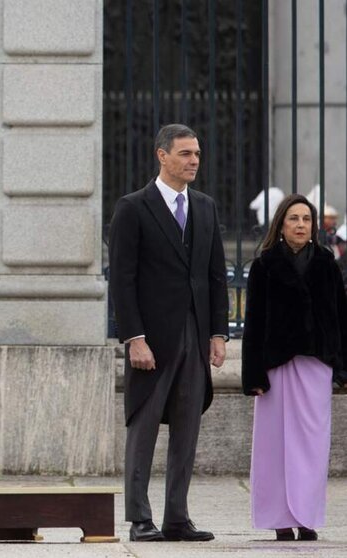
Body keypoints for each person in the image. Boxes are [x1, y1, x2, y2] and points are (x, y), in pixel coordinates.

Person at [108, 123, 229, 542]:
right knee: (142, 429)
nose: (194, 161)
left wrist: (218, 333)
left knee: (187, 429)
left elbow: (215, 276)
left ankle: (177, 517)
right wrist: (134, 337)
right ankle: (140, 518)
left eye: (197, 153)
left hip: (195, 337)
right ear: (162, 156)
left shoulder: (207, 207)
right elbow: (122, 281)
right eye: (185, 154)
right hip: (151, 340)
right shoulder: (132, 208)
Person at [242, 194, 347, 542]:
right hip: (275, 365)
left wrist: (342, 368)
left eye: (306, 219)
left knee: (312, 444)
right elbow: (253, 323)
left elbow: (341, 320)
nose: (301, 225)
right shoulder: (264, 265)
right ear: (281, 225)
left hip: (316, 365)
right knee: (273, 444)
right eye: (293, 219)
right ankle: (280, 519)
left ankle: (307, 516)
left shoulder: (327, 264)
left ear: (314, 225)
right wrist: (253, 374)